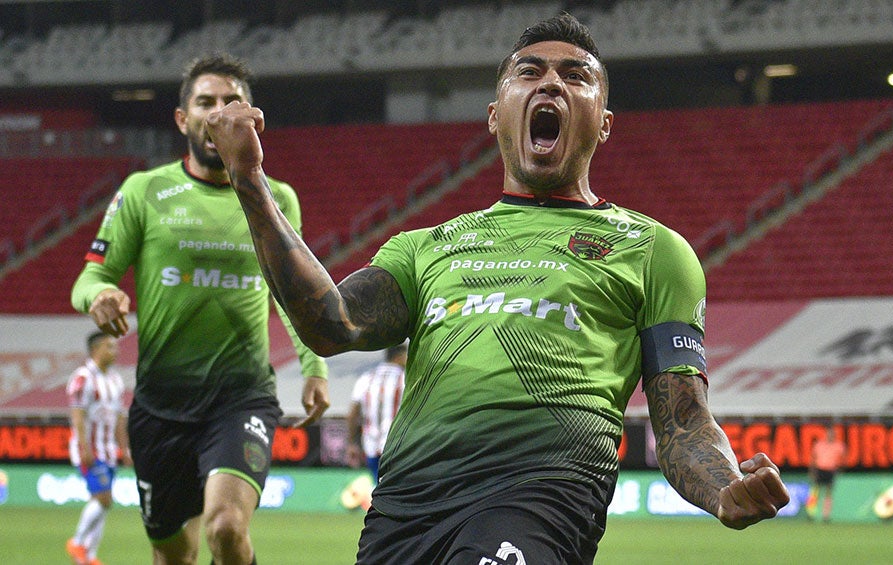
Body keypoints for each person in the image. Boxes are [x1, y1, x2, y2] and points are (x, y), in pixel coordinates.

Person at [207, 13, 790, 564]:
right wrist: (249, 181)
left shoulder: (654, 251)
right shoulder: (425, 247)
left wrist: (724, 486)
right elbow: (330, 323)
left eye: (576, 76)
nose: (551, 84)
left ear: (604, 123)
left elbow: (683, 420)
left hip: (539, 496)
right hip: (404, 508)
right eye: (529, 72)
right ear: (494, 115)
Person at [70, 53, 330, 565]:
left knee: (226, 528)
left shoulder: (277, 199)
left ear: (251, 117)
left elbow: (293, 294)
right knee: (174, 554)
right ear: (182, 118)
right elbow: (90, 277)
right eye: (205, 102)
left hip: (241, 397)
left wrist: (314, 367)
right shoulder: (144, 191)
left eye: (231, 102)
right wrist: (97, 297)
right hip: (161, 406)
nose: (218, 113)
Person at [65, 331, 130, 565]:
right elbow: (78, 416)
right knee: (104, 499)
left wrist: (125, 449)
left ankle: (88, 556)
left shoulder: (115, 380)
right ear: (95, 350)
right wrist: (85, 448)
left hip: (109, 451)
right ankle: (77, 542)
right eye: (109, 346)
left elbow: (120, 418)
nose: (115, 351)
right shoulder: (83, 378)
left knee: (101, 504)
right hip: (90, 450)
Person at [346, 343, 408, 484]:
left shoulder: (366, 378)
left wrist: (352, 443)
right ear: (399, 356)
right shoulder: (405, 378)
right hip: (397, 445)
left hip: (371, 446)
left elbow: (352, 414)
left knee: (378, 486)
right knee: (398, 487)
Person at [808, 426, 846, 523]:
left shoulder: (839, 446)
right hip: (819, 469)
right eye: (829, 434)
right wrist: (812, 471)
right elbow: (813, 459)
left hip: (831, 470)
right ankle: (811, 513)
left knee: (828, 493)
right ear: (826, 434)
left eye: (832, 434)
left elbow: (843, 460)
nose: (830, 436)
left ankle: (826, 516)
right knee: (815, 492)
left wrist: (839, 470)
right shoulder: (819, 445)